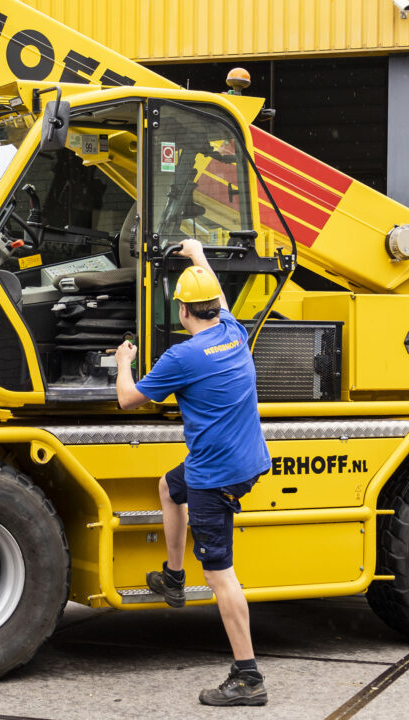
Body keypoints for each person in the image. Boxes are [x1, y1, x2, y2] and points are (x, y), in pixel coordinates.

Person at [112, 239, 272, 707]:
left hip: (215, 476)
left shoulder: (181, 358)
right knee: (167, 486)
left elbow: (128, 400)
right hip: (243, 460)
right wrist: (198, 253)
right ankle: (175, 578)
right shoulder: (233, 331)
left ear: (181, 311)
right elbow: (217, 293)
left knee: (222, 576)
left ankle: (248, 677)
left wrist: (123, 363)